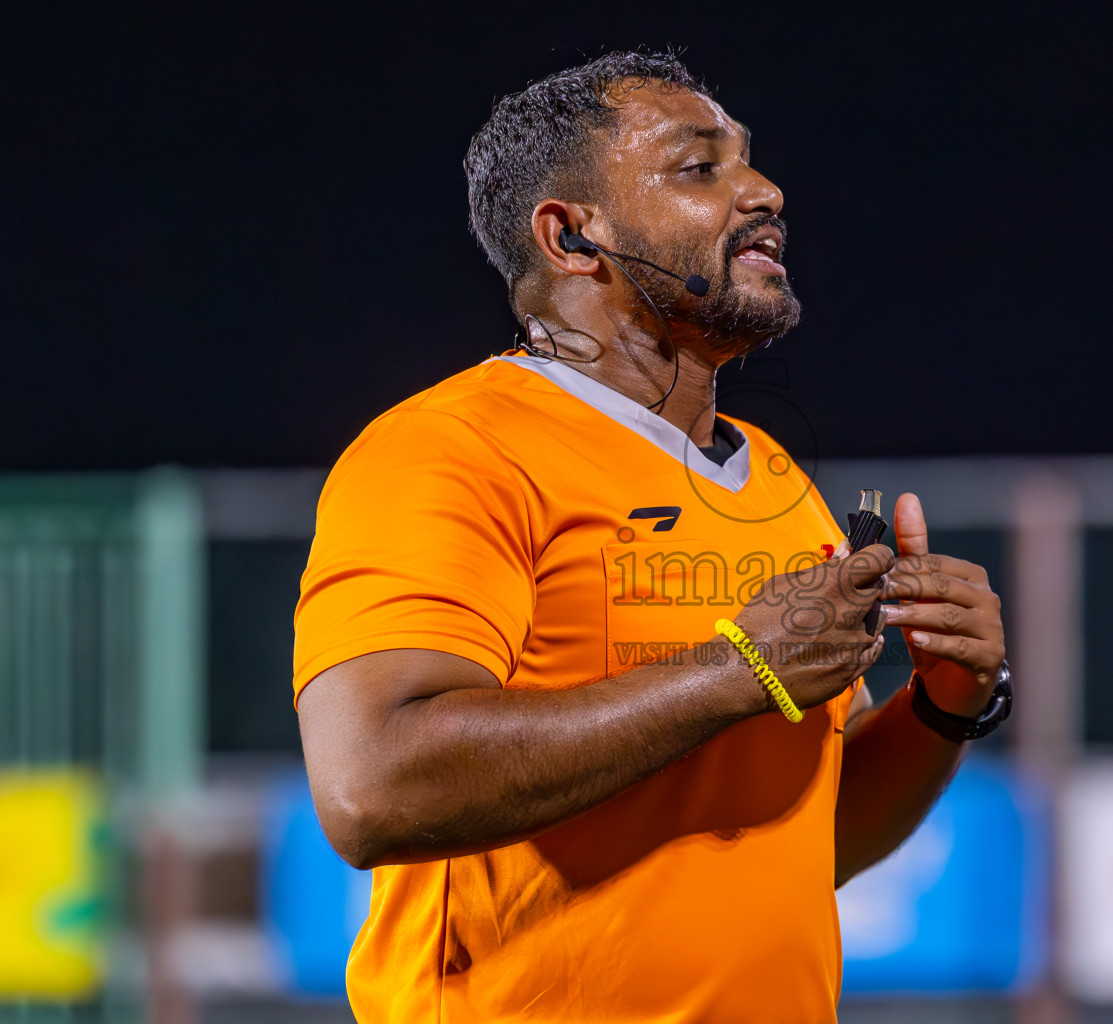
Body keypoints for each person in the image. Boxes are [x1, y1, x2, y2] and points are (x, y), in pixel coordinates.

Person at [292, 49, 1008, 1023]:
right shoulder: (448, 448)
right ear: (573, 234)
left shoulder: (777, 481)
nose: (764, 191)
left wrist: (943, 705)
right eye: (699, 168)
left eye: (749, 161)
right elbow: (373, 787)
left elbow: (810, 843)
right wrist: (736, 669)